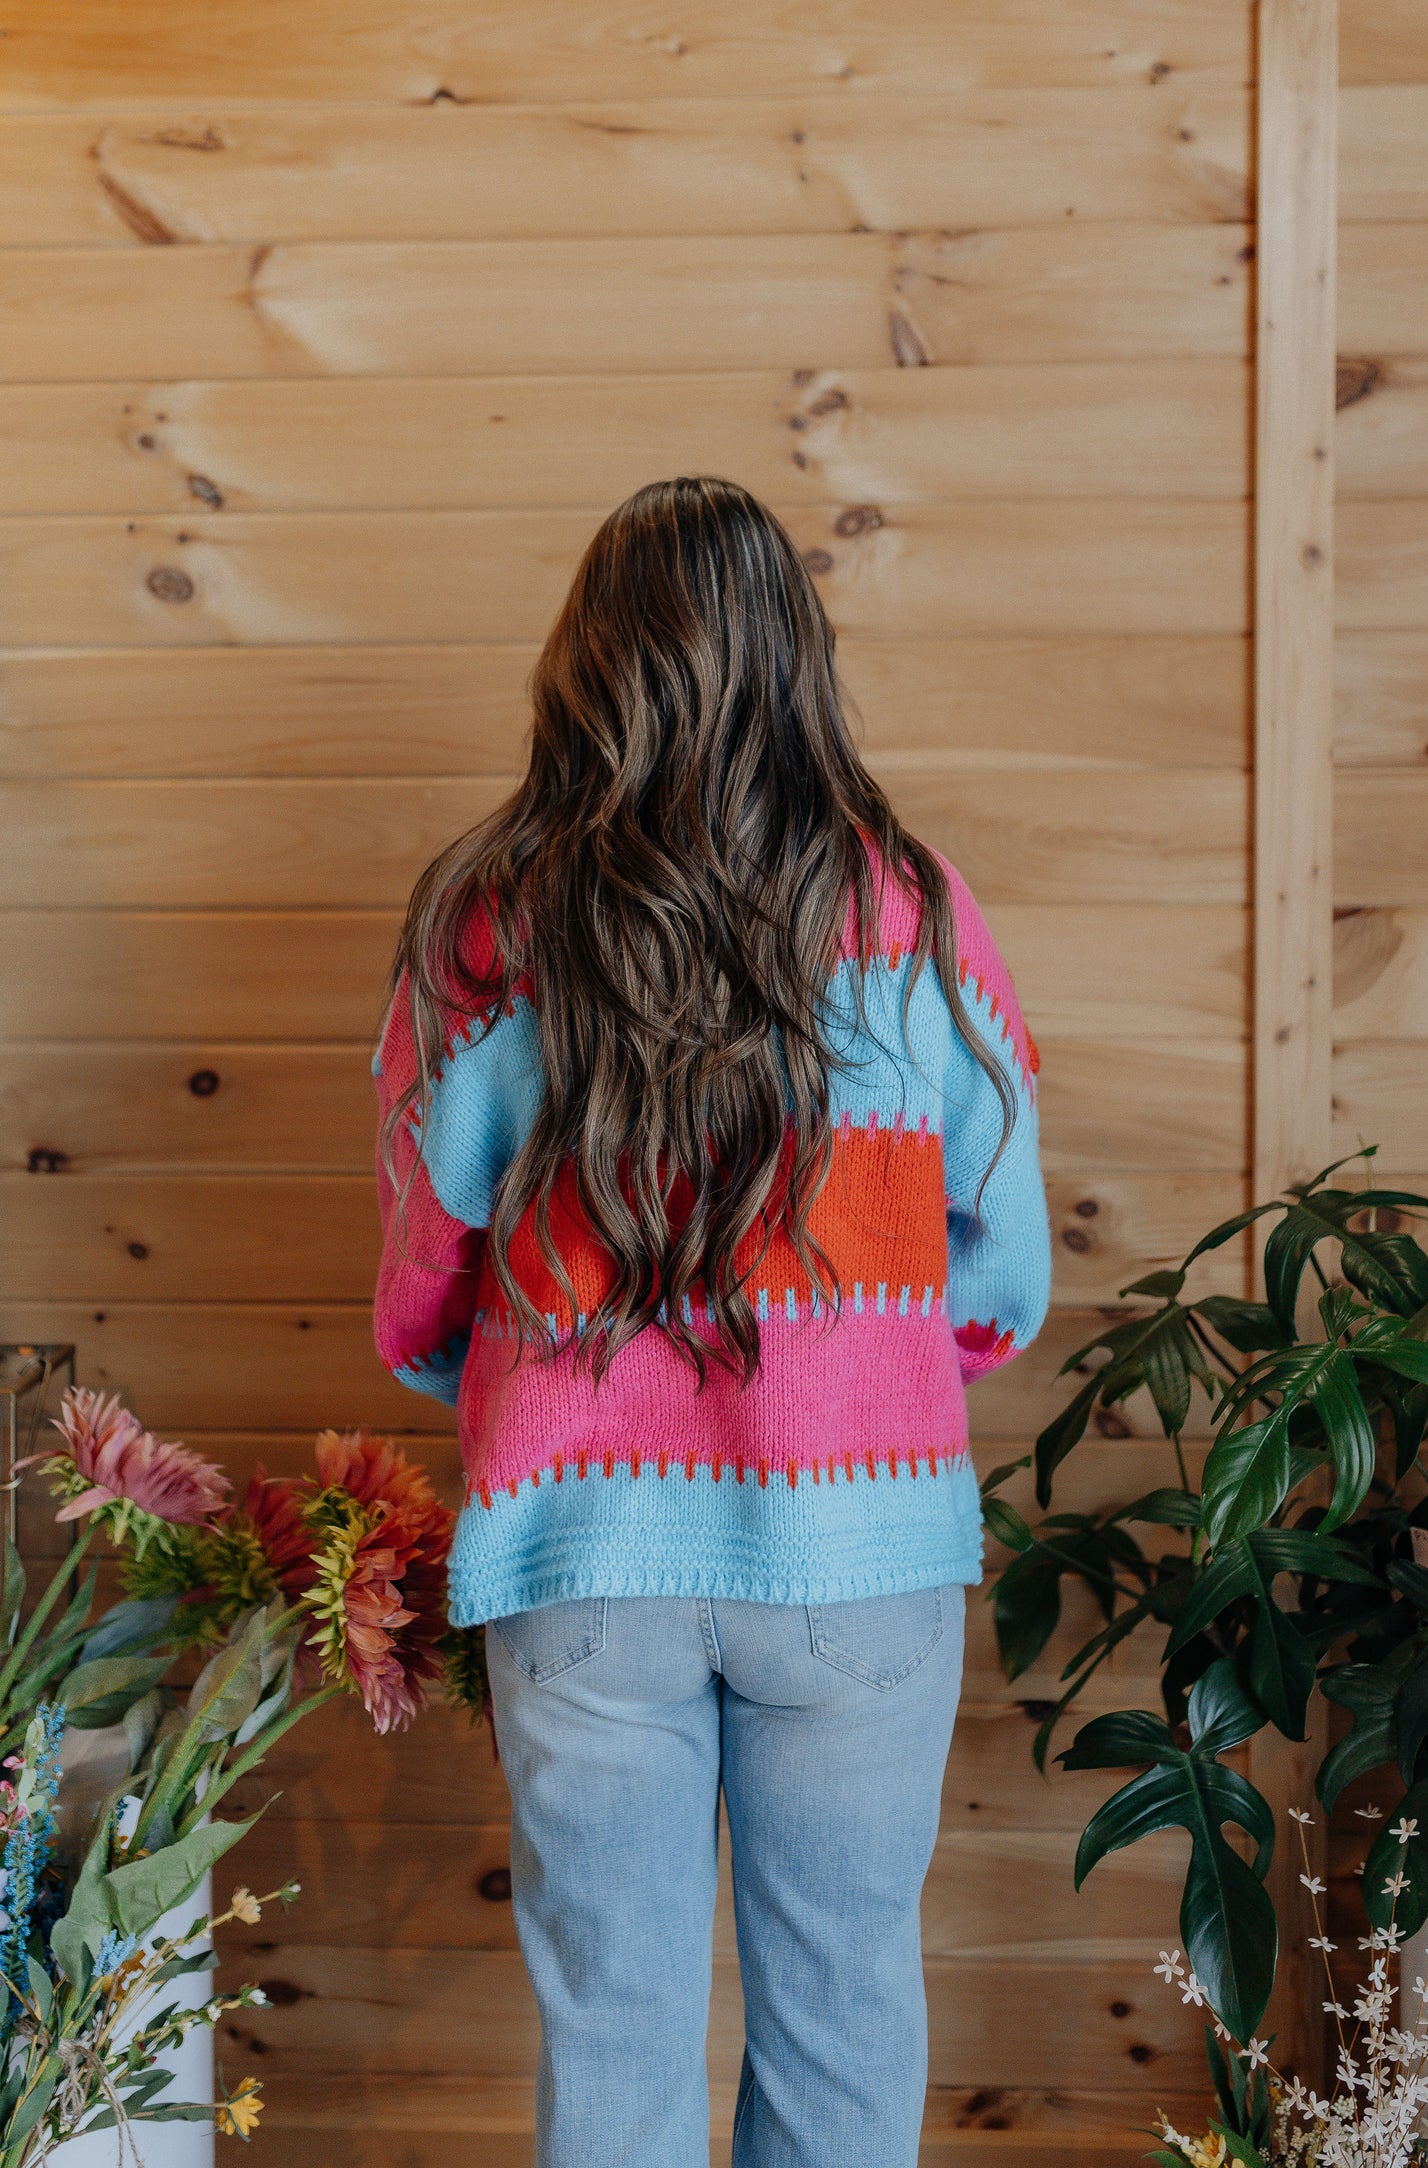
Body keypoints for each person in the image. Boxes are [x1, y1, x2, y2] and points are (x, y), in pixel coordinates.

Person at [372, 477, 1050, 2168]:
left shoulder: (485, 920)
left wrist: (502, 1377)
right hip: (861, 1546)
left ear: (584, 667)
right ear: (798, 661)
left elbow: (421, 1262)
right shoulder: (911, 910)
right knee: (843, 2018)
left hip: (584, 1553)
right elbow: (1002, 1255)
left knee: (611, 2024)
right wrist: (891, 1364)